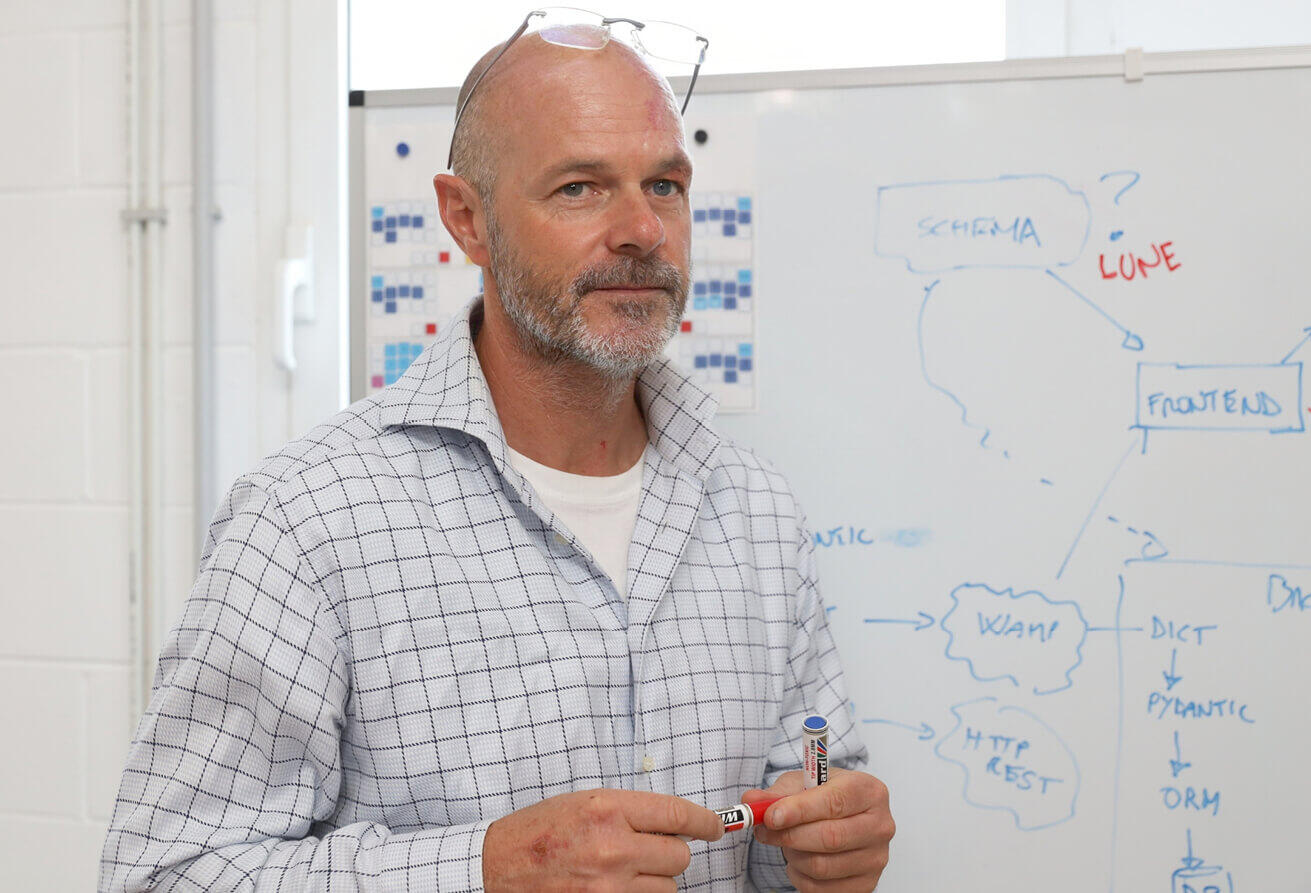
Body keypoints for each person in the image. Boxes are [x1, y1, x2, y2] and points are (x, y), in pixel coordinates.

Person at [99, 16, 894, 893]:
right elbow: (163, 874)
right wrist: (485, 870)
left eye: (665, 185)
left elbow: (806, 793)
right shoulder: (307, 522)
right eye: (580, 187)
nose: (642, 228)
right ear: (466, 219)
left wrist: (824, 847)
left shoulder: (756, 508)